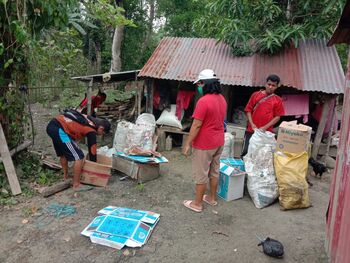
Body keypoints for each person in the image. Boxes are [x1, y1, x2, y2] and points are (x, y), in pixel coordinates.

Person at [182, 69, 227, 213]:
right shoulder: (222, 98)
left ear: (206, 84)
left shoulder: (203, 101)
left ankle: (197, 204)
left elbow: (196, 125)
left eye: (200, 83)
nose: (199, 86)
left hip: (204, 143)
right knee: (214, 171)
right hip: (219, 140)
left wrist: (188, 143)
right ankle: (212, 198)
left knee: (201, 173)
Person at [46, 111, 111, 190]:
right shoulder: (91, 131)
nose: (101, 135)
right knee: (79, 156)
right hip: (59, 129)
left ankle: (65, 176)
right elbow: (92, 151)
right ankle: (76, 184)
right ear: (101, 128)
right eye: (103, 133)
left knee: (63, 153)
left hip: (53, 125)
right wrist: (94, 167)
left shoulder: (89, 119)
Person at [241, 74, 285, 158]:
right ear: (265, 84)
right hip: (251, 130)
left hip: (266, 133)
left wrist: (265, 127)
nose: (270, 87)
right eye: (269, 84)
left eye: (273, 85)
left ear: (277, 87)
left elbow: (278, 117)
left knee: (261, 155)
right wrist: (252, 124)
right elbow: (248, 110)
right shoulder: (256, 95)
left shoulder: (278, 100)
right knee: (246, 152)